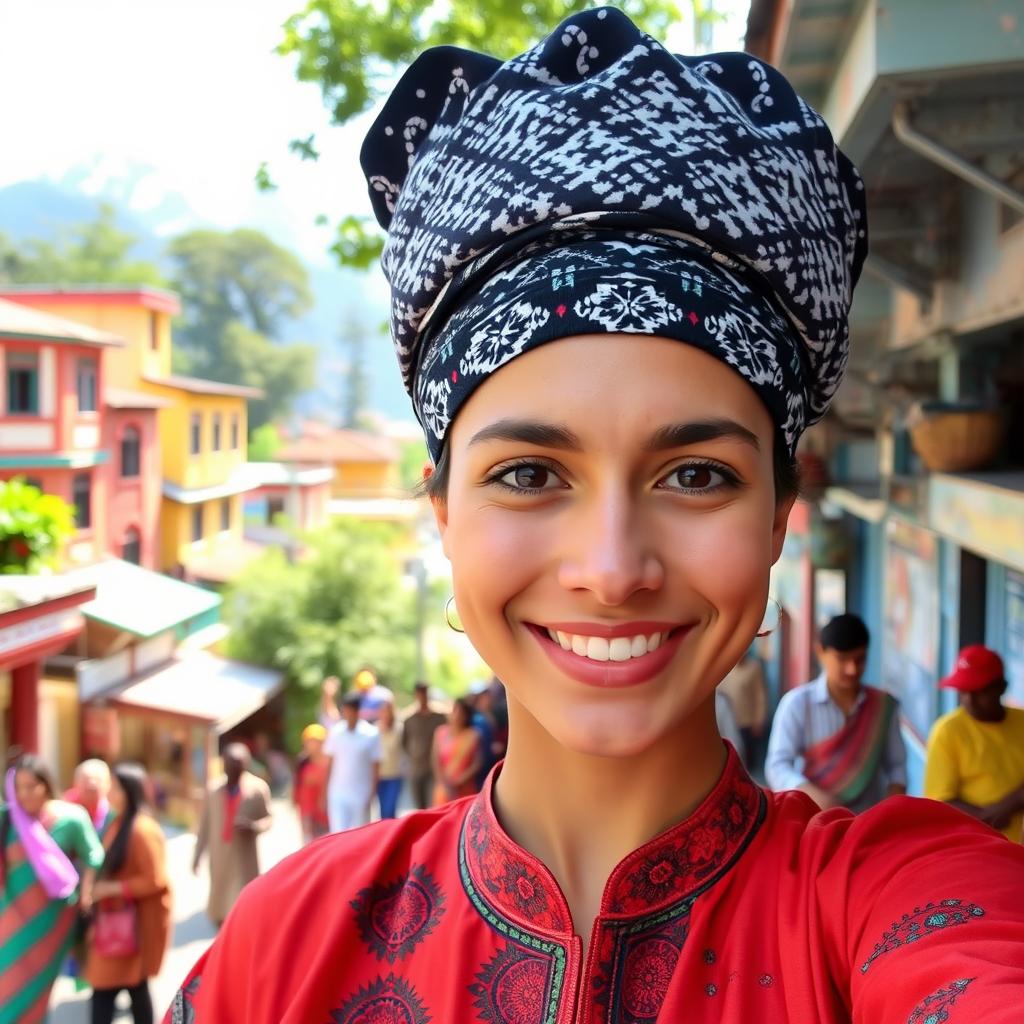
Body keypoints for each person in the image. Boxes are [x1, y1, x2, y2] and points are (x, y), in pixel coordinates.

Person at [166, 11, 1024, 1023]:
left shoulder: (894, 900)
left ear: (781, 514)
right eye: (530, 473)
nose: (612, 569)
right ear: (442, 512)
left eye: (697, 475)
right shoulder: (287, 945)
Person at [765, 614, 907, 812]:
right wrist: (815, 796)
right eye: (842, 659)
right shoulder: (797, 704)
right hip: (814, 818)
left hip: (866, 822)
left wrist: (892, 806)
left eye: (860, 659)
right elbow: (777, 766)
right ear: (820, 652)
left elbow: (897, 767)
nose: (852, 669)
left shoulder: (883, 707)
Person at [1, 753, 104, 1023]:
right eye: (18, 787)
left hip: (53, 920)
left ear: (46, 784)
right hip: (10, 918)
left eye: (31, 786)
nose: (24, 794)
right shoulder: (7, 819)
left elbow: (94, 854)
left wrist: (87, 890)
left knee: (37, 992)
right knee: (7, 987)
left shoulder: (70, 818)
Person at [85, 763, 171, 1024]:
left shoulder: (143, 829)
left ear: (130, 791)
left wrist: (113, 888)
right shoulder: (118, 823)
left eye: (115, 788)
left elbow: (156, 880)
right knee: (134, 990)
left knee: (110, 990)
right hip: (117, 925)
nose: (109, 793)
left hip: (131, 928)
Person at [925, 645, 1024, 843]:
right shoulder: (947, 732)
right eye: (963, 691)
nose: (969, 700)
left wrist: (1009, 805)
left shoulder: (1021, 722)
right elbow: (941, 804)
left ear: (1002, 687)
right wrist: (991, 815)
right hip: (973, 847)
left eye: (979, 691)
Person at [192, 743, 272, 928]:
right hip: (220, 857)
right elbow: (204, 825)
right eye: (230, 764)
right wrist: (197, 855)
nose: (234, 769)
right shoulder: (214, 790)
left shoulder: (257, 789)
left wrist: (254, 827)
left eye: (238, 765)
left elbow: (269, 818)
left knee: (243, 907)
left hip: (243, 859)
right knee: (219, 906)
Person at [323, 692, 381, 832]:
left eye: (351, 710)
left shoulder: (371, 733)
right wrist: (325, 790)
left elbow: (376, 765)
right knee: (338, 833)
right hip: (338, 792)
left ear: (357, 711)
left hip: (361, 793)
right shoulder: (336, 732)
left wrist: (372, 792)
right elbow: (329, 762)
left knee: (359, 834)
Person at [718, 649, 768, 769]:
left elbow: (760, 695)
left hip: (746, 721)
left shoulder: (754, 668)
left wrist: (759, 719)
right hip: (725, 721)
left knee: (747, 758)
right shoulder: (724, 667)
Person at [400, 680, 447, 809]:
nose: (422, 697)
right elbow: (404, 742)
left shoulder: (439, 717)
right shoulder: (409, 719)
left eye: (424, 693)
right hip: (416, 768)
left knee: (434, 804)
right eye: (419, 694)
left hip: (434, 768)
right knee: (419, 806)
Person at [431, 697, 483, 805]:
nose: (457, 715)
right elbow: (435, 760)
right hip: (443, 789)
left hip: (465, 789)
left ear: (466, 715)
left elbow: (477, 763)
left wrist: (459, 781)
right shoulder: (440, 732)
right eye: (455, 710)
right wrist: (444, 782)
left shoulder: (473, 735)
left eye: (461, 712)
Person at [293, 724, 331, 843]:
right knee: (309, 843)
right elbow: (296, 784)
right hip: (307, 812)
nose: (311, 745)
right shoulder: (302, 763)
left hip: (325, 811)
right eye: (308, 742)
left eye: (315, 741)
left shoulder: (330, 763)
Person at [65, 758, 117, 838]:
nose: (92, 785)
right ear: (75, 783)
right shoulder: (65, 807)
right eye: (86, 780)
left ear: (108, 785)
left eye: (98, 780)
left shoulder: (114, 811)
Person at [375, 700, 404, 820]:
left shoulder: (399, 729)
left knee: (390, 809)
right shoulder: (375, 729)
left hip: (395, 775)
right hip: (379, 776)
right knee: (382, 811)